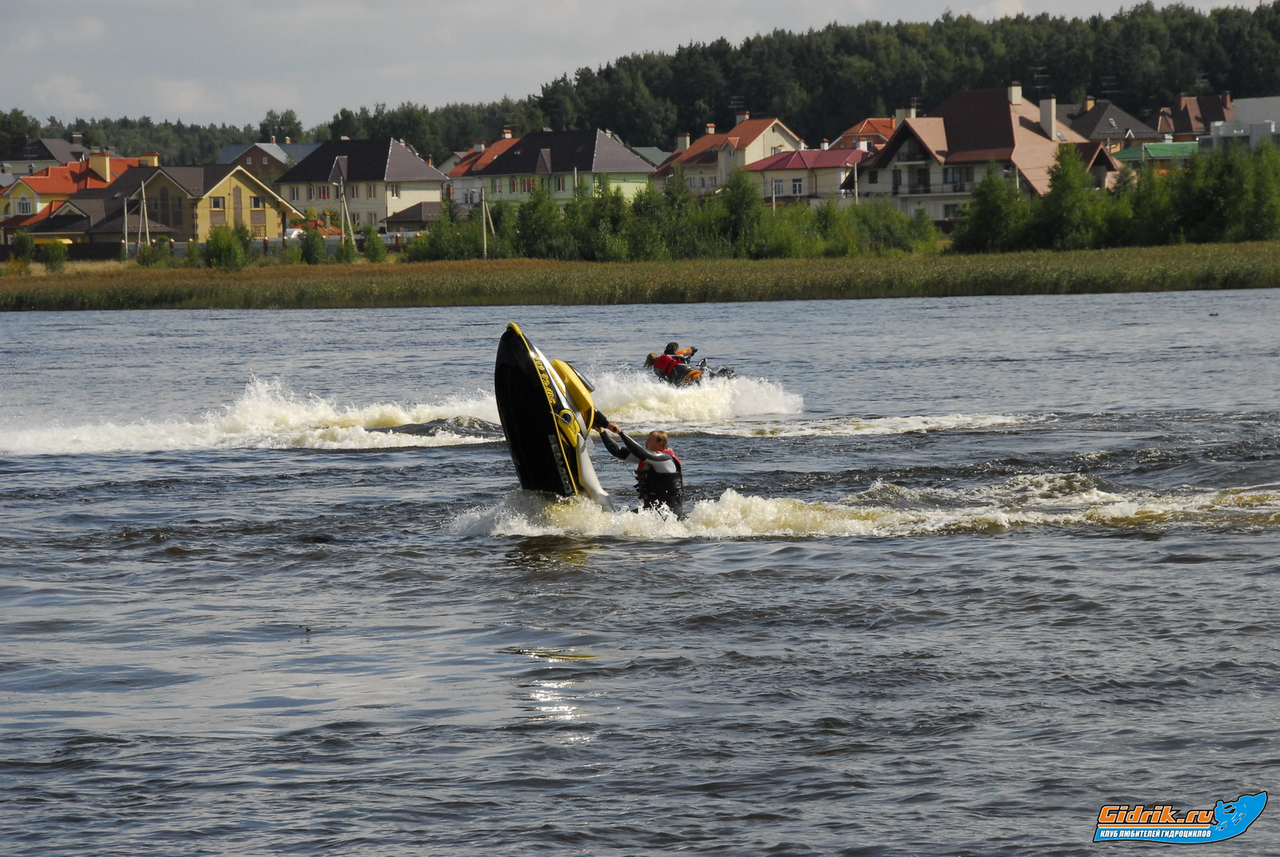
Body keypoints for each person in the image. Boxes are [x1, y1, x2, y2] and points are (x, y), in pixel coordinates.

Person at [598, 425, 684, 518]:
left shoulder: (665, 459)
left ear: (660, 444)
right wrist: (602, 432)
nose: (646, 442)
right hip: (652, 508)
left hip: (669, 511)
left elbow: (641, 452)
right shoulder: (649, 459)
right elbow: (618, 451)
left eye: (650, 440)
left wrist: (620, 433)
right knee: (618, 518)